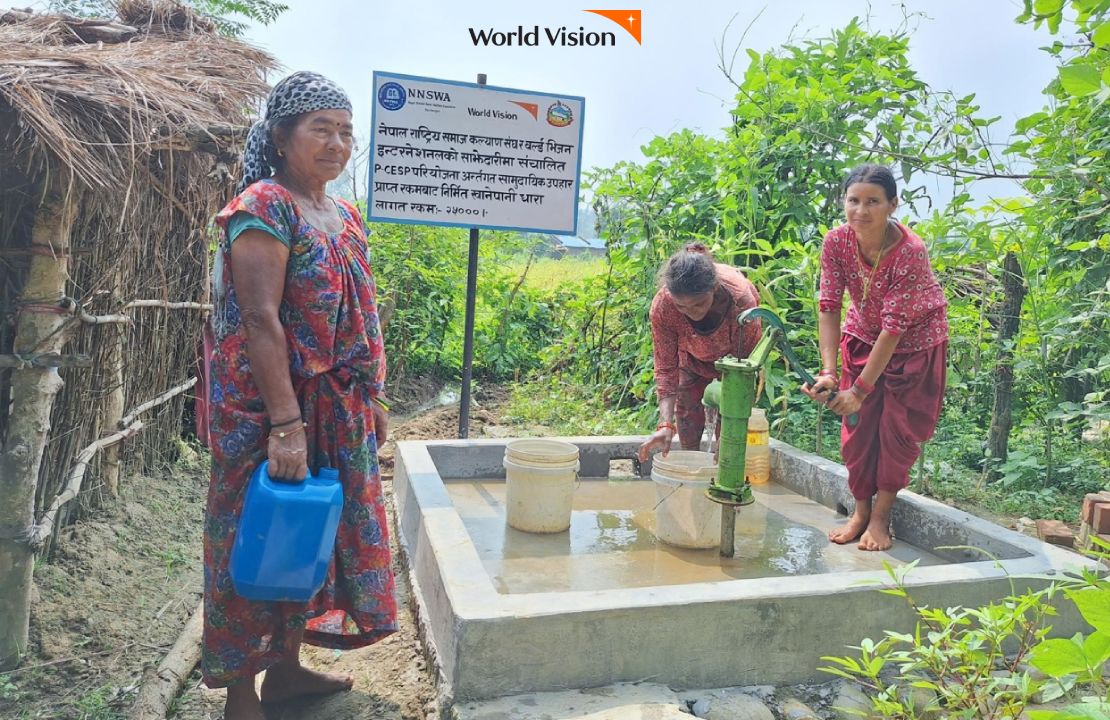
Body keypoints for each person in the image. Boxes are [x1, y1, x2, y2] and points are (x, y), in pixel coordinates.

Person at [201, 71, 396, 720]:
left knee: (306, 539)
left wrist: (373, 401)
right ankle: (239, 694)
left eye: (347, 131)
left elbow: (358, 317)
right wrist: (286, 424)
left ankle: (284, 674)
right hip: (269, 406)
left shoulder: (343, 213)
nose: (339, 143)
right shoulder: (263, 206)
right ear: (282, 138)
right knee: (252, 538)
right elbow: (261, 320)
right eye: (322, 129)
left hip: (338, 407)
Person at [802, 164, 948, 552]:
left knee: (896, 434)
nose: (861, 211)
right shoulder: (836, 242)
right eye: (853, 200)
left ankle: (881, 518)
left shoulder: (910, 252)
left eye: (872, 202)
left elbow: (895, 328)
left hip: (915, 343)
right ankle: (860, 512)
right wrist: (830, 373)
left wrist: (861, 390)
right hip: (864, 334)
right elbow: (829, 307)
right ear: (843, 202)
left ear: (892, 205)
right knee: (858, 432)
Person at [637, 243, 761, 462]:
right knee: (686, 414)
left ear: (713, 289)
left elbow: (744, 373)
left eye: (699, 304)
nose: (692, 313)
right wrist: (665, 424)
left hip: (735, 363)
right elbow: (666, 369)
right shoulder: (664, 306)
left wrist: (731, 436)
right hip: (691, 359)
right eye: (682, 307)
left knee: (729, 440)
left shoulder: (740, 302)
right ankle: (690, 466)